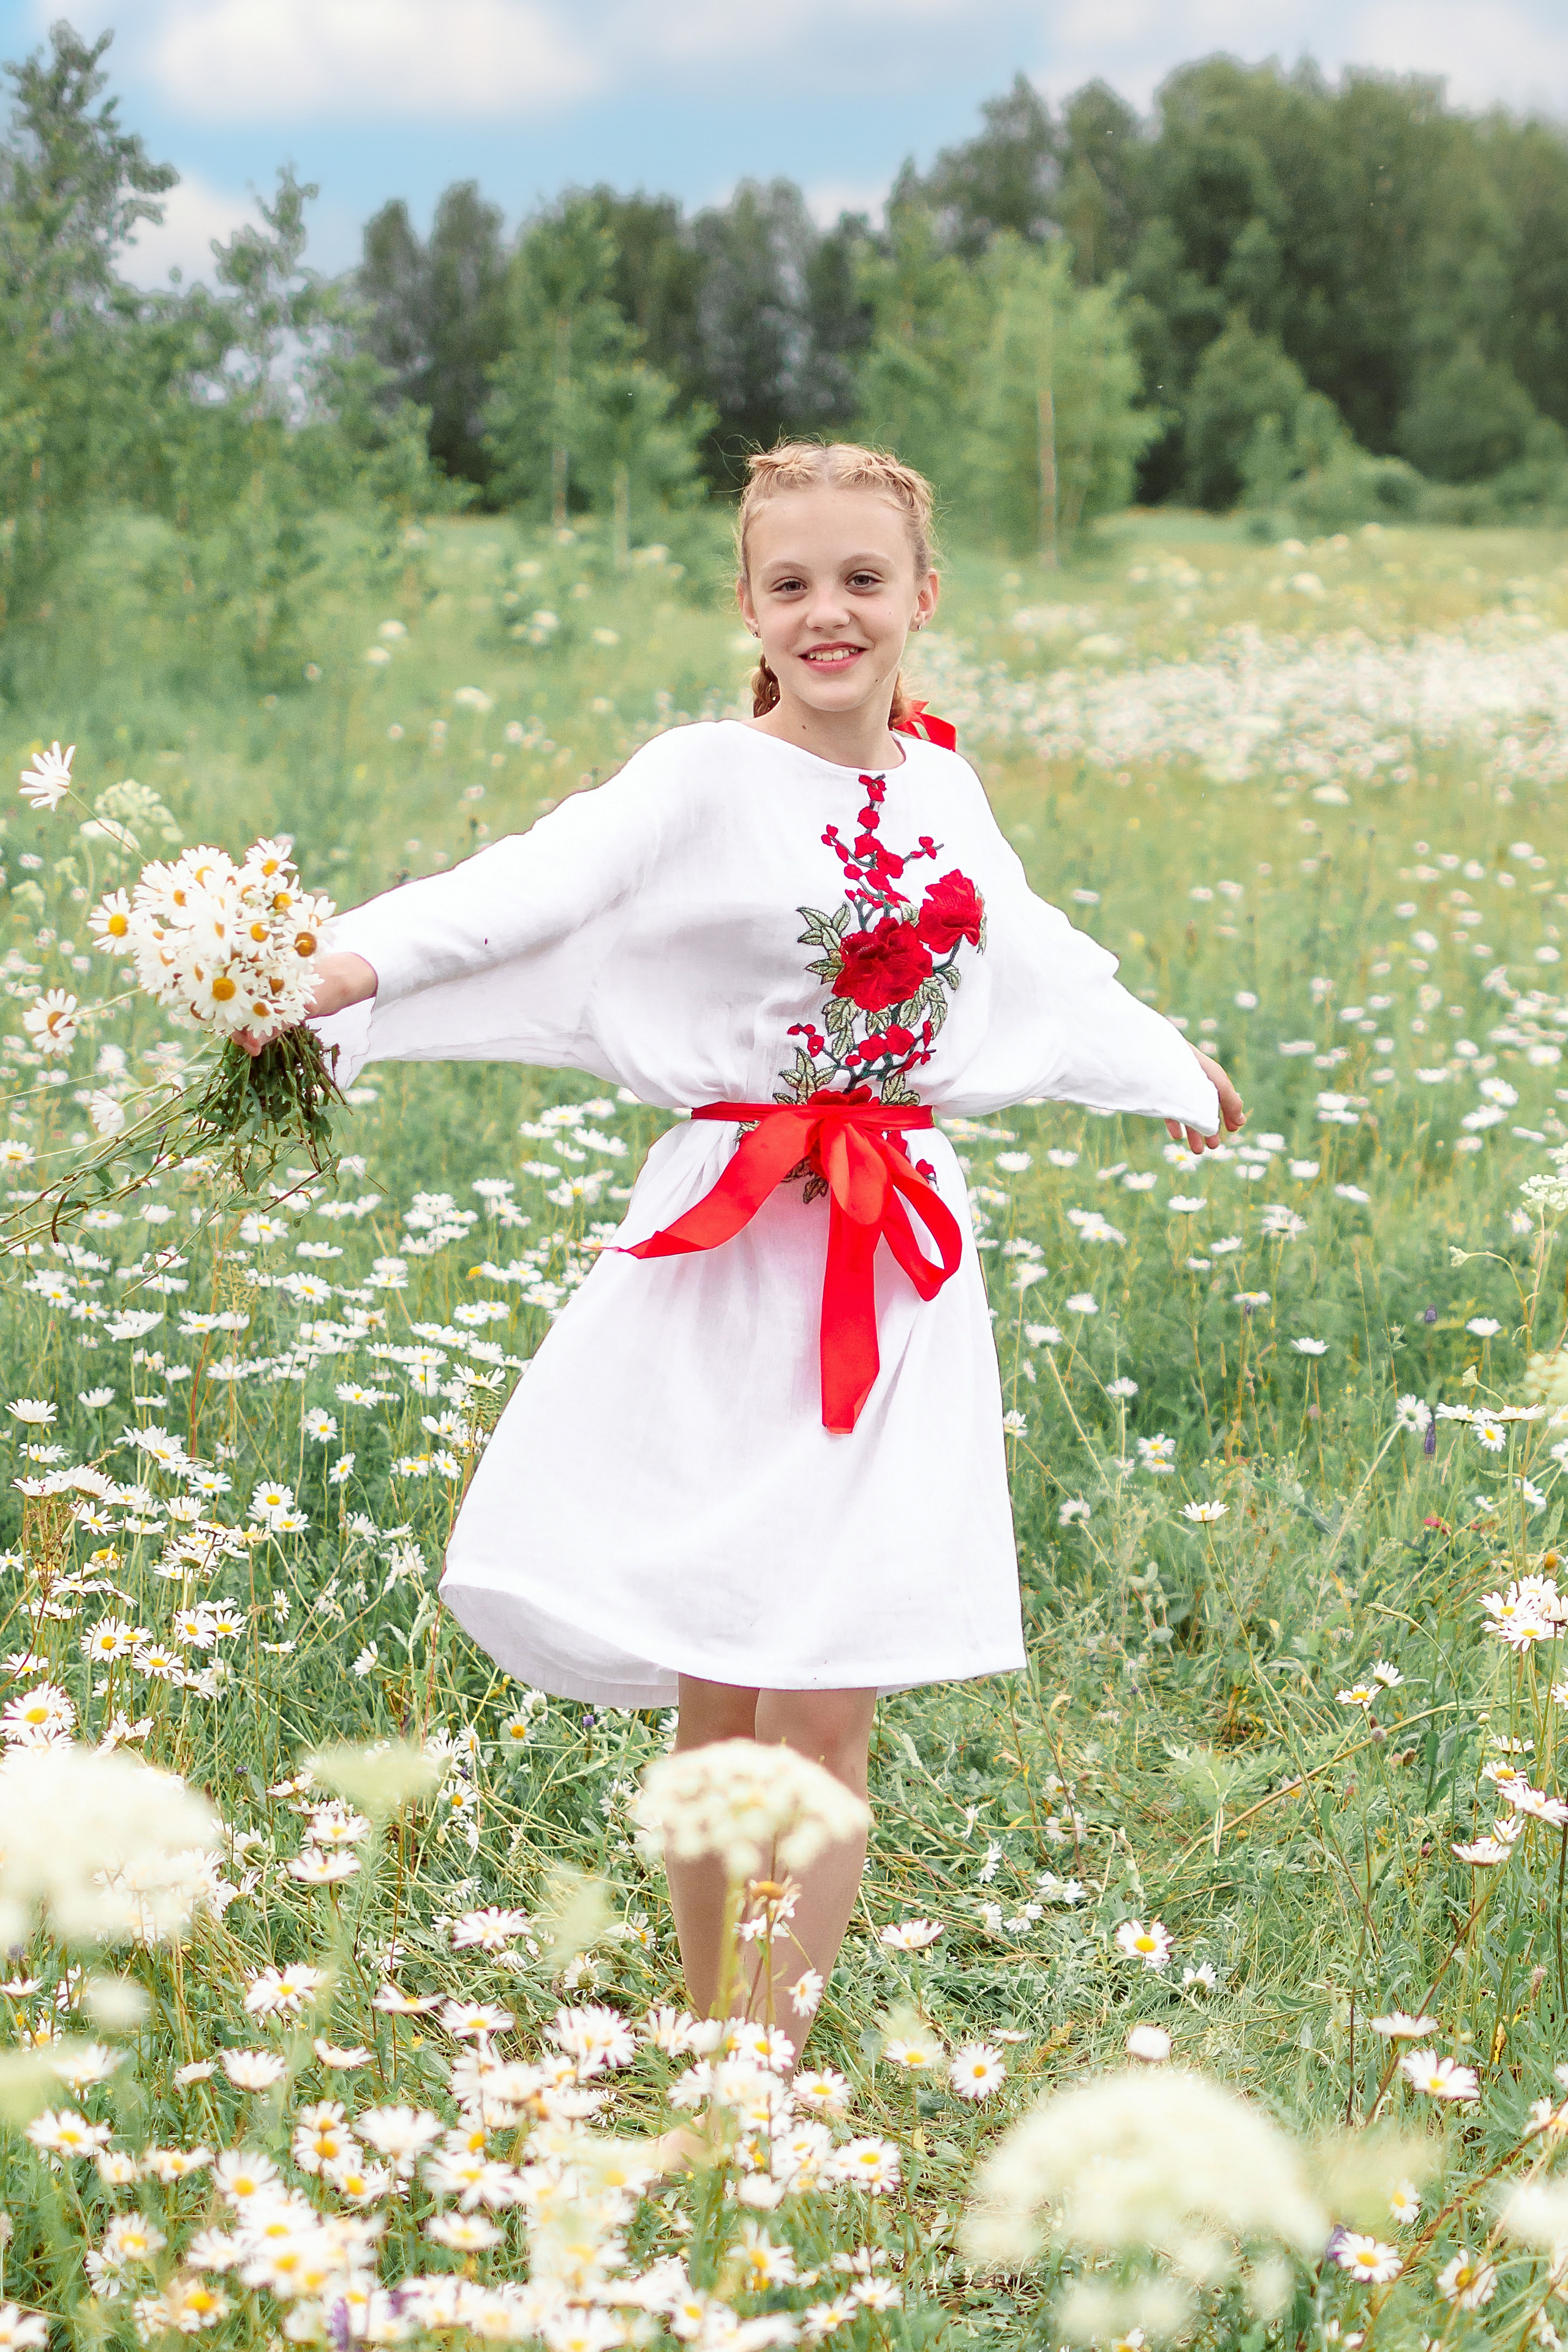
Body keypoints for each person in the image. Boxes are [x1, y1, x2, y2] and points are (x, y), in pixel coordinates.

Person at [266, 440, 1244, 2095]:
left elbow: (1034, 948)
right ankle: (709, 2014)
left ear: (922, 597)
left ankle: (768, 2064)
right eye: (792, 582)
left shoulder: (946, 787)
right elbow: (528, 887)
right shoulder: (697, 777)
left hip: (897, 1266)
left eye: (863, 578)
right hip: (729, 1256)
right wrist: (342, 964)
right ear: (749, 603)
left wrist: (1165, 1063)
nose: (829, 611)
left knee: (832, 1696)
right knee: (722, 1683)